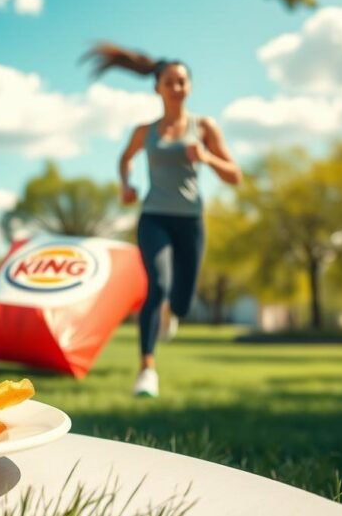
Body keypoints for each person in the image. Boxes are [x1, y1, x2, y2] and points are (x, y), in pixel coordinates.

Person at [83, 43, 242, 397]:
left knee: (183, 301)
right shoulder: (145, 131)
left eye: (182, 81)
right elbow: (125, 159)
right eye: (170, 82)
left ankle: (174, 310)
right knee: (157, 284)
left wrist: (207, 159)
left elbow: (235, 175)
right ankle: (146, 369)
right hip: (154, 216)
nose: (176, 87)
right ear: (157, 88)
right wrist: (126, 185)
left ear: (190, 87)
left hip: (190, 221)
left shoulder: (204, 127)